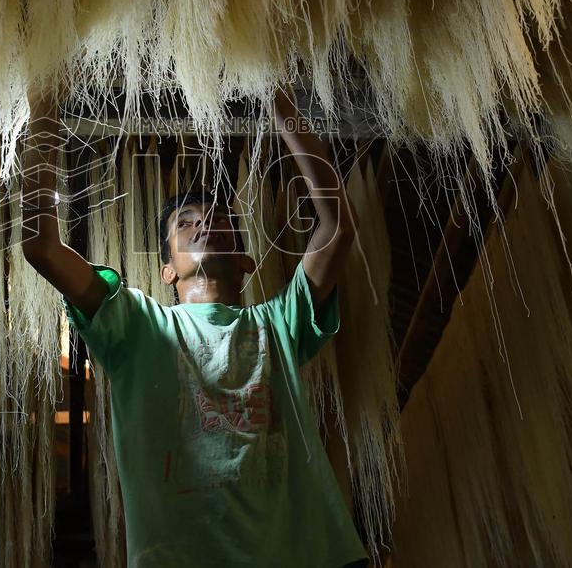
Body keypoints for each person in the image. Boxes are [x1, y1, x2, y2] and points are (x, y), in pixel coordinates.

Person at [21, 87, 368, 568]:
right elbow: (42, 248)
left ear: (245, 261)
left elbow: (337, 228)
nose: (204, 223)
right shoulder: (138, 327)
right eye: (185, 223)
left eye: (219, 218)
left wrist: (284, 110)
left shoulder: (277, 327)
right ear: (167, 270)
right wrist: (42, 110)